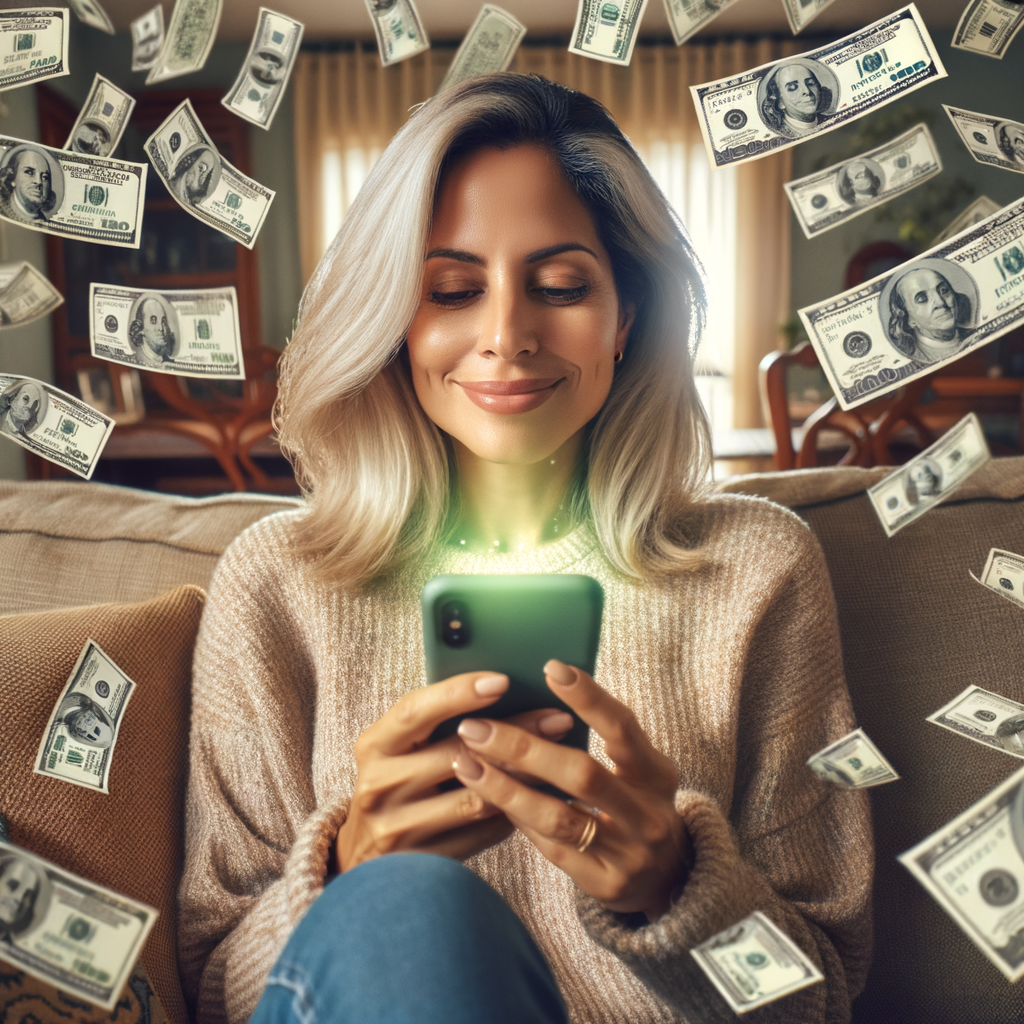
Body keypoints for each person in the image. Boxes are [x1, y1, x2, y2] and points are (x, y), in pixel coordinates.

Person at [179, 74, 871, 1024]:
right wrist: (345, 876)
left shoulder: (760, 572)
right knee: (408, 904)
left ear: (626, 316)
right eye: (453, 290)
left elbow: (821, 996)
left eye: (559, 286)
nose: (506, 336)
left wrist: (675, 888)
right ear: (394, 321)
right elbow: (213, 986)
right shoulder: (277, 586)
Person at [887, 265, 974, 363]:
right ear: (909, 320)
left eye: (943, 290)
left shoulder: (976, 335)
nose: (940, 302)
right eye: (922, 299)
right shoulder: (912, 360)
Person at [760, 61, 833, 137]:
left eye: (811, 83)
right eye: (792, 87)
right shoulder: (780, 133)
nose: (807, 91)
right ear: (780, 103)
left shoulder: (831, 121)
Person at [0, 147, 57, 222]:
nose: (39, 181)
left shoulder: (45, 221)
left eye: (45, 177)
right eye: (29, 172)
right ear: (13, 178)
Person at [0, 856, 42, 939]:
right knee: (24, 883)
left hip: (8, 900)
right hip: (12, 905)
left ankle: (22, 866)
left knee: (16, 876)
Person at [129, 295, 176, 364]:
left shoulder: (170, 361)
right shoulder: (134, 361)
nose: (161, 328)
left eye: (163, 321)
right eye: (153, 321)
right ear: (140, 328)